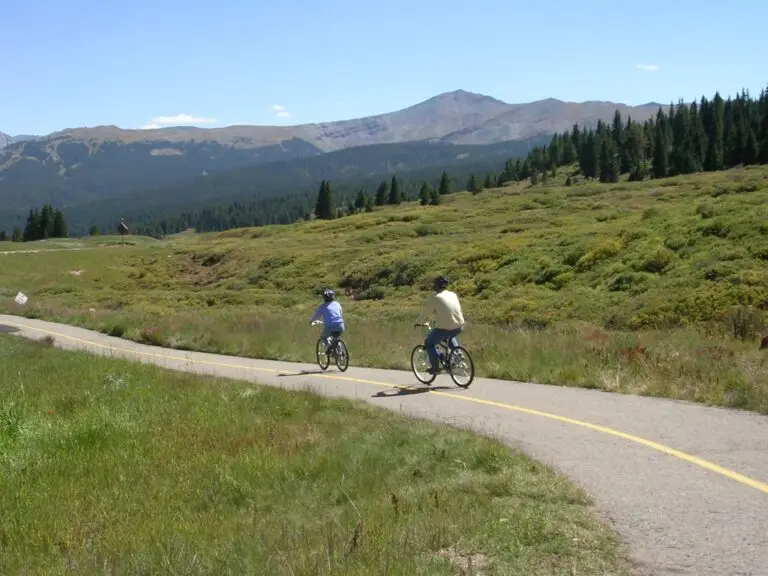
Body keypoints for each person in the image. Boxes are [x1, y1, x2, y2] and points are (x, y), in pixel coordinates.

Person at [415, 276, 465, 375]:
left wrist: (418, 322)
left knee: (429, 343)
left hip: (445, 328)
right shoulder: (453, 294)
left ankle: (435, 368)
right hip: (459, 326)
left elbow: (425, 313)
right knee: (450, 336)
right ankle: (458, 356)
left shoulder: (435, 298)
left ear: (435, 286)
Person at [309, 288, 345, 355]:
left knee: (324, 337)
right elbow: (341, 314)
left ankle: (329, 349)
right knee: (336, 338)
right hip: (341, 325)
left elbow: (316, 316)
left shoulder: (322, 306)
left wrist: (311, 321)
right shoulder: (337, 304)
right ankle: (340, 352)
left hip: (329, 326)